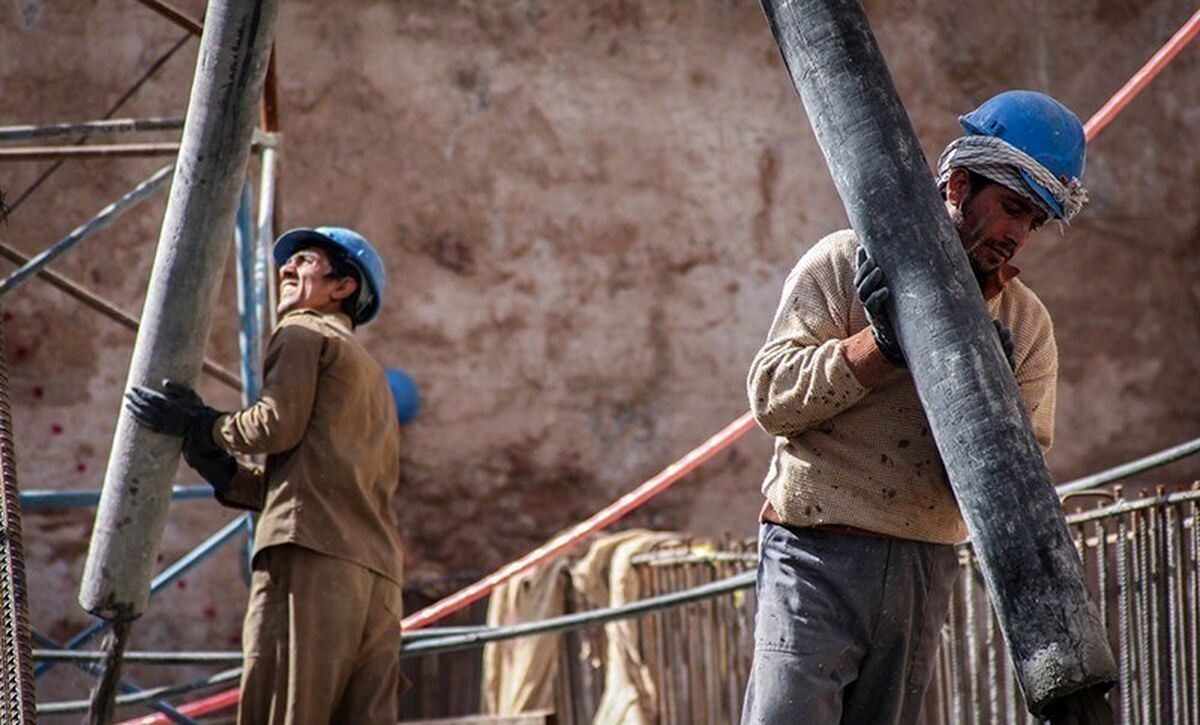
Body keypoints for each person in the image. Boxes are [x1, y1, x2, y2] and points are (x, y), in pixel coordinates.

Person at [741, 91, 1088, 723]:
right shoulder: (845, 264)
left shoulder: (1024, 326)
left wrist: (987, 390)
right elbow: (770, 399)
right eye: (1011, 207)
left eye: (1033, 221)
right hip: (815, 552)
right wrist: (879, 346)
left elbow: (1024, 477)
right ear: (958, 184)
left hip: (922, 568)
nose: (1016, 234)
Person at [125, 226, 405, 724]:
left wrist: (206, 426)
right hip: (377, 581)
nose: (286, 270)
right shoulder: (373, 379)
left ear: (343, 287)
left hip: (313, 559)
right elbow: (319, 485)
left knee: (283, 708)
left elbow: (273, 425)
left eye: (305, 261)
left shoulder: (304, 331)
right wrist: (224, 472)